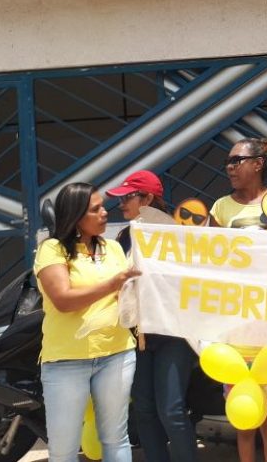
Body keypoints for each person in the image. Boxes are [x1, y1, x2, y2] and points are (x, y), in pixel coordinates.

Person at [34, 182, 140, 462]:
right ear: (76, 216)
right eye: (96, 209)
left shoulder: (114, 248)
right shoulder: (52, 249)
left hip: (117, 353)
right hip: (66, 361)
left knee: (116, 440)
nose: (105, 213)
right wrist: (113, 284)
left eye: (103, 206)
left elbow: (124, 296)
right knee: (64, 449)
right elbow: (63, 300)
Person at [108, 170, 199, 462]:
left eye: (127, 197)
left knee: (171, 410)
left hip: (174, 334)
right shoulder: (124, 236)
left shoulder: (176, 233)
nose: (121, 204)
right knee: (144, 409)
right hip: (138, 336)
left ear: (147, 198)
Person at [210, 138, 267, 462]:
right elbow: (207, 257)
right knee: (243, 424)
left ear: (257, 164)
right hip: (235, 329)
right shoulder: (220, 208)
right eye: (228, 163)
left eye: (236, 161)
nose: (229, 167)